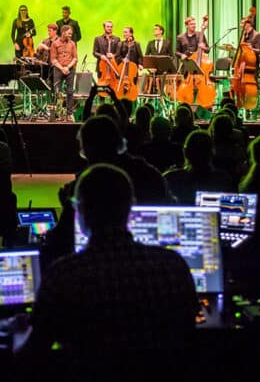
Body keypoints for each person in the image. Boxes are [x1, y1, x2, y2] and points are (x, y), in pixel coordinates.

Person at [18, 163, 198, 381]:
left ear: (80, 211)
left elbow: (31, 355)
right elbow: (190, 336)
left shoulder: (64, 275)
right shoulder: (173, 266)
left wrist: (15, 331)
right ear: (131, 208)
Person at [51, 24, 79, 117]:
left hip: (70, 69)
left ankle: (69, 113)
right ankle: (58, 113)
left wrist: (67, 67)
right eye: (69, 33)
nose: (71, 35)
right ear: (63, 33)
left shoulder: (72, 44)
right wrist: (62, 68)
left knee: (70, 91)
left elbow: (75, 58)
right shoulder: (55, 44)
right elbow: (53, 60)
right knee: (57, 91)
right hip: (59, 69)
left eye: (71, 34)